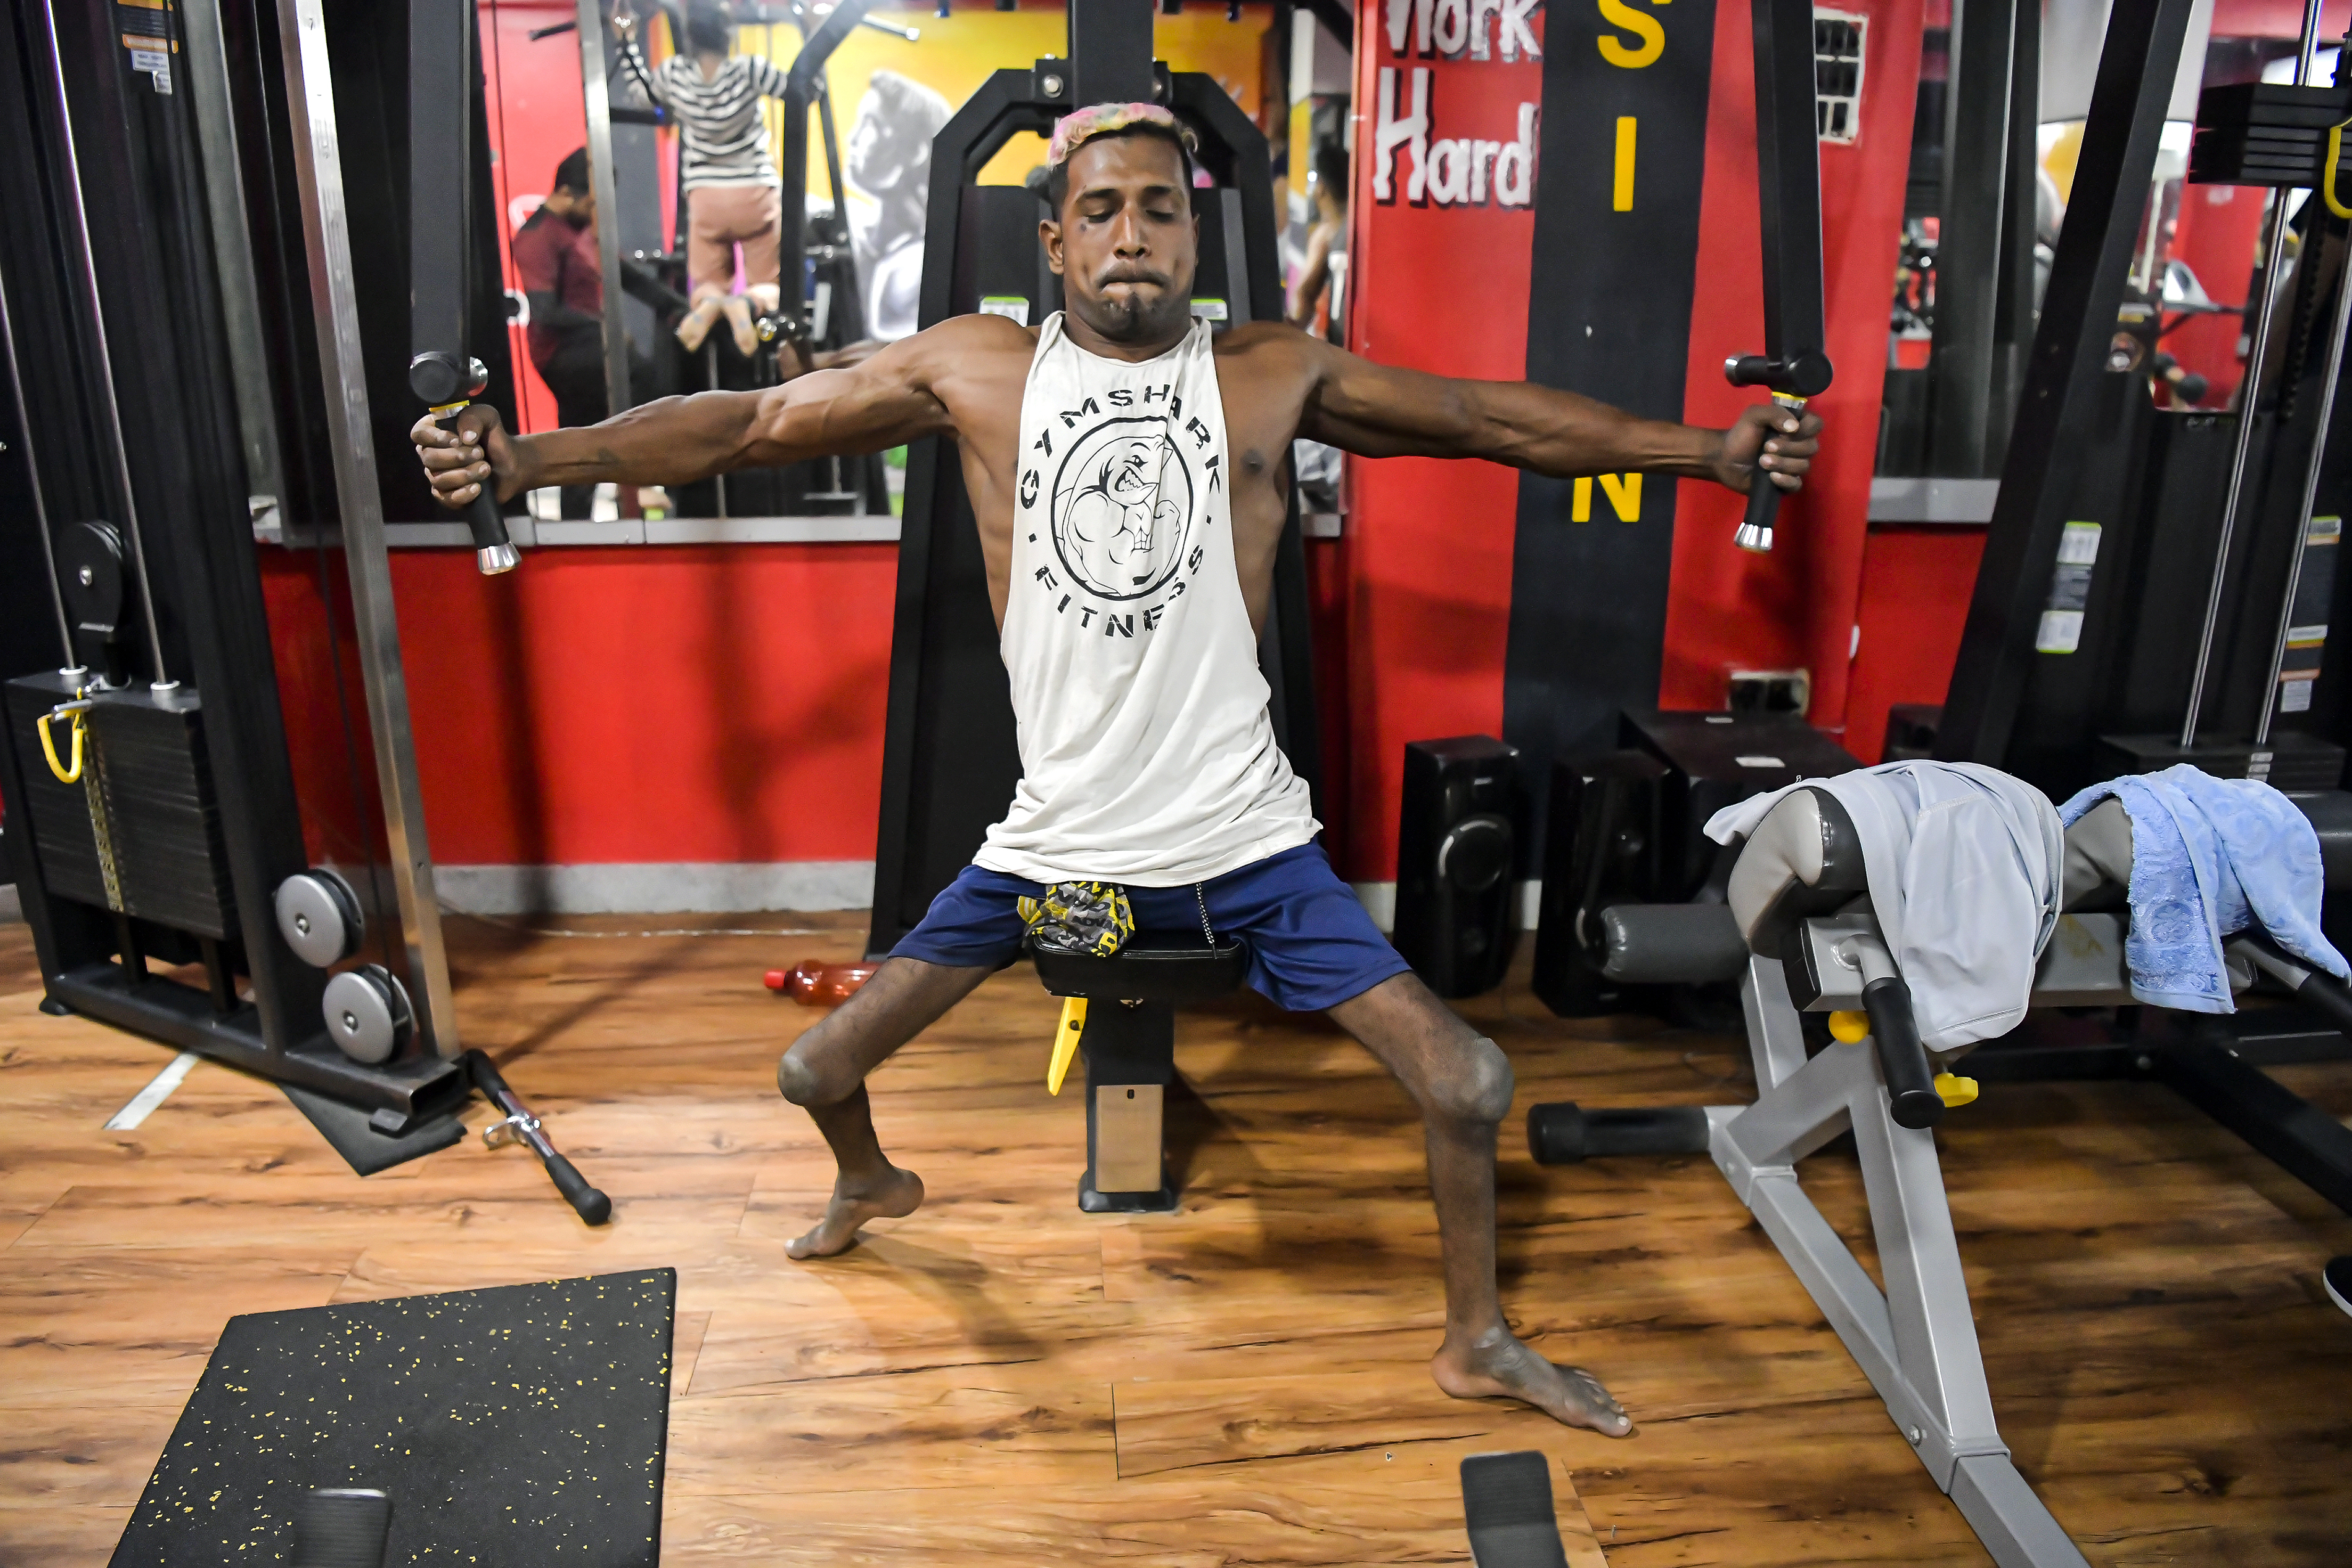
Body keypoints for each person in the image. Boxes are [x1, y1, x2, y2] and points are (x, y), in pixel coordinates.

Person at [413, 102, 1822, 1437]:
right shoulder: (977, 368)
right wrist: (524, 458)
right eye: (1100, 211)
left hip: (1253, 863)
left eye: (1159, 210)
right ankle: (872, 1183)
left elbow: (1487, 421)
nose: (1131, 233)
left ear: (1194, 240)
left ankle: (1475, 1342)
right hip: (1057, 870)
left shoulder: (1269, 374)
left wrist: (1702, 448)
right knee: (806, 1065)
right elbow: (747, 425)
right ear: (1055, 241)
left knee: (1465, 1086)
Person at [616, 0, 787, 357]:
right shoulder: (750, 70)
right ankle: (749, 303)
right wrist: (815, 31)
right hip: (755, 193)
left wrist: (627, 41)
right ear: (728, 35)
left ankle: (711, 303)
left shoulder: (675, 73)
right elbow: (804, 89)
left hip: (706, 197)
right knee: (768, 284)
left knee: (708, 283)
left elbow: (644, 96)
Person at [509, 148, 651, 520]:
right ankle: (645, 480)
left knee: (585, 440)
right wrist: (606, 328)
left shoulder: (582, 228)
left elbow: (627, 276)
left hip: (592, 342)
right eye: (591, 202)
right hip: (563, 352)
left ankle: (602, 505)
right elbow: (546, 312)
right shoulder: (536, 237)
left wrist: (675, 308)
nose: (595, 212)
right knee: (638, 378)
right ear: (567, 194)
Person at [844, 69, 954, 340]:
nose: (853, 139)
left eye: (871, 125)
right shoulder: (857, 226)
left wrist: (818, 363)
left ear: (916, 152)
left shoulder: (913, 267)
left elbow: (894, 361)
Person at [1287, 142, 1350, 338]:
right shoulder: (1364, 226)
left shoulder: (1327, 233)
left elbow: (1304, 294)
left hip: (1342, 344)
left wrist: (1287, 333)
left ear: (1321, 188)